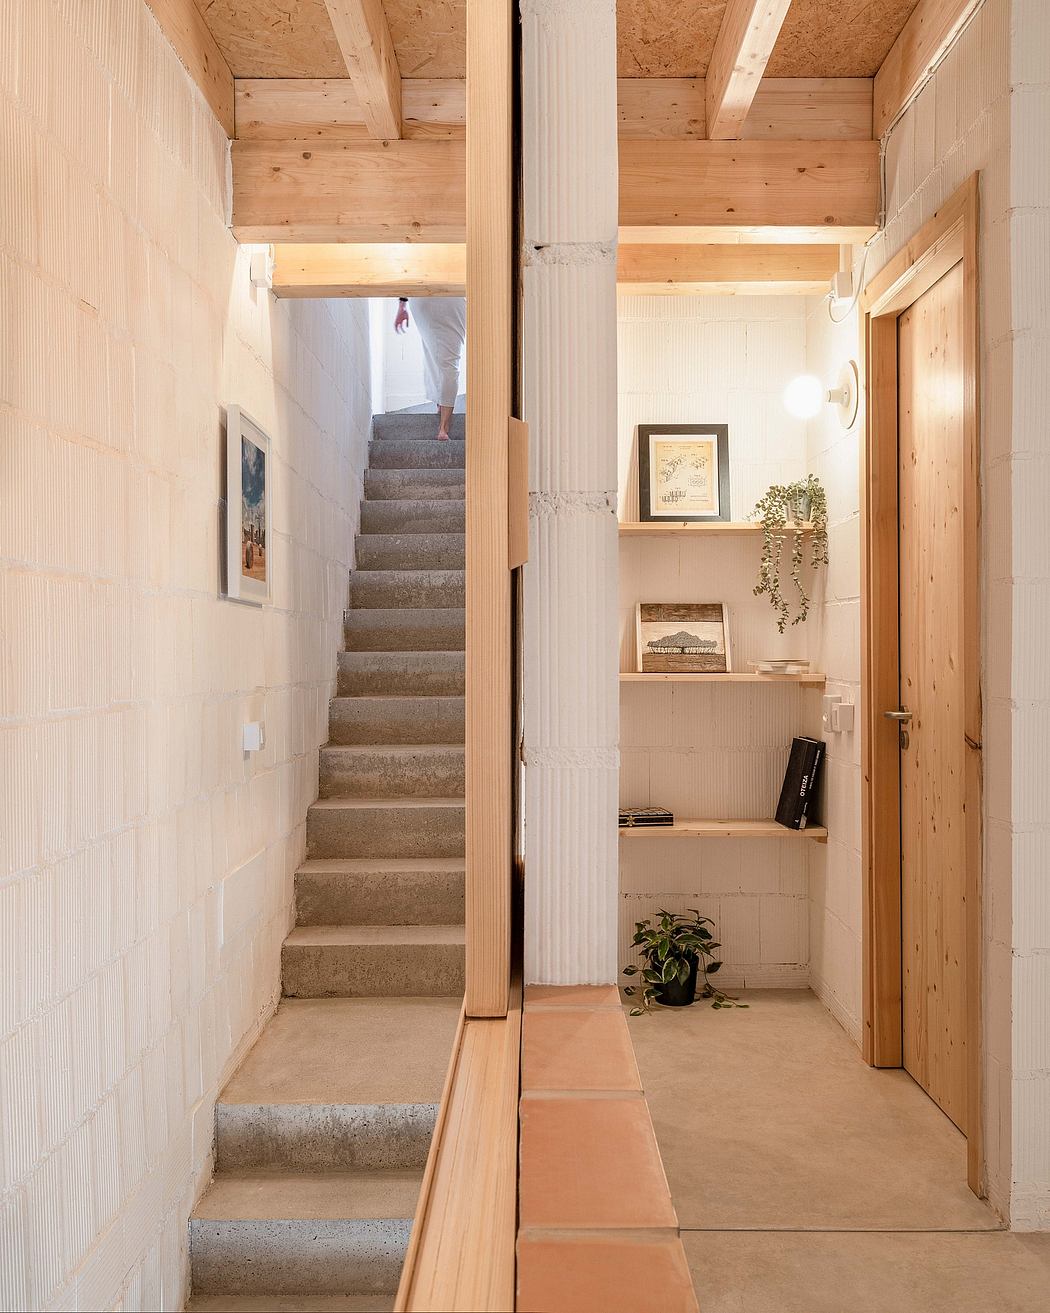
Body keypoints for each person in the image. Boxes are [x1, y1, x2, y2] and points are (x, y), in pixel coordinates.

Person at [394, 296, 466, 440]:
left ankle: (441, 403)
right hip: (451, 298)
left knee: (432, 351)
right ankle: (443, 427)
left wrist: (402, 305)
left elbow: (409, 274)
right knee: (448, 363)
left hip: (422, 299)